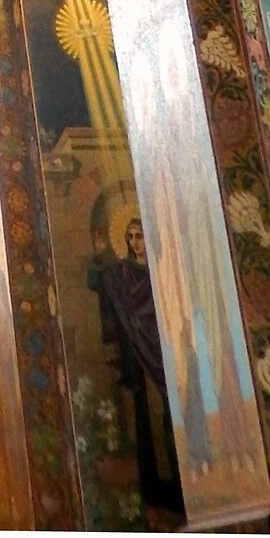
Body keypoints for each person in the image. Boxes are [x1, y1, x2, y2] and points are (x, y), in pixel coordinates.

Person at [92, 218, 180, 512]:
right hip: (141, 356)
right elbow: (98, 278)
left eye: (139, 236)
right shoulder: (123, 274)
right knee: (148, 418)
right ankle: (156, 484)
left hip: (166, 350)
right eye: (129, 237)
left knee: (174, 413)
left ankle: (182, 478)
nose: (134, 242)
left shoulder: (161, 269)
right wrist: (102, 253)